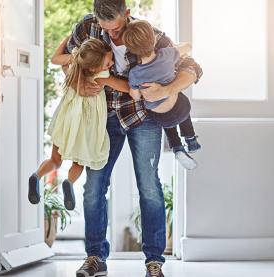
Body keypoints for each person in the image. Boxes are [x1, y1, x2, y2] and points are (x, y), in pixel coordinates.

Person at [65, 1, 202, 276]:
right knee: (93, 187)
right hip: (103, 118)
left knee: (149, 187)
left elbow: (192, 67)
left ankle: (154, 262)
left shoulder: (147, 34)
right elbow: (69, 60)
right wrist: (76, 81)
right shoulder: (86, 28)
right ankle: (95, 258)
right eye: (105, 29)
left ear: (126, 15)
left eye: (116, 28)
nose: (112, 35)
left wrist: (168, 87)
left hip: (143, 117)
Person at [28, 38, 130, 211]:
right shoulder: (101, 76)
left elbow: (54, 59)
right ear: (93, 68)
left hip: (66, 120)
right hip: (86, 124)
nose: (111, 63)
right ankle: (69, 182)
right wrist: (110, 81)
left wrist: (67, 39)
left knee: (55, 160)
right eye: (107, 63)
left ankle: (36, 176)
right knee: (79, 162)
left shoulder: (74, 64)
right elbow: (126, 87)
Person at [122, 20, 201, 170]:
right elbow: (188, 47)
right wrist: (179, 46)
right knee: (181, 102)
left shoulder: (135, 74)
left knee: (162, 116)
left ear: (131, 50)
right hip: (181, 109)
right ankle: (191, 139)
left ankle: (177, 147)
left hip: (161, 119)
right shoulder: (167, 54)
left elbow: (136, 96)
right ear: (153, 40)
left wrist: (138, 90)